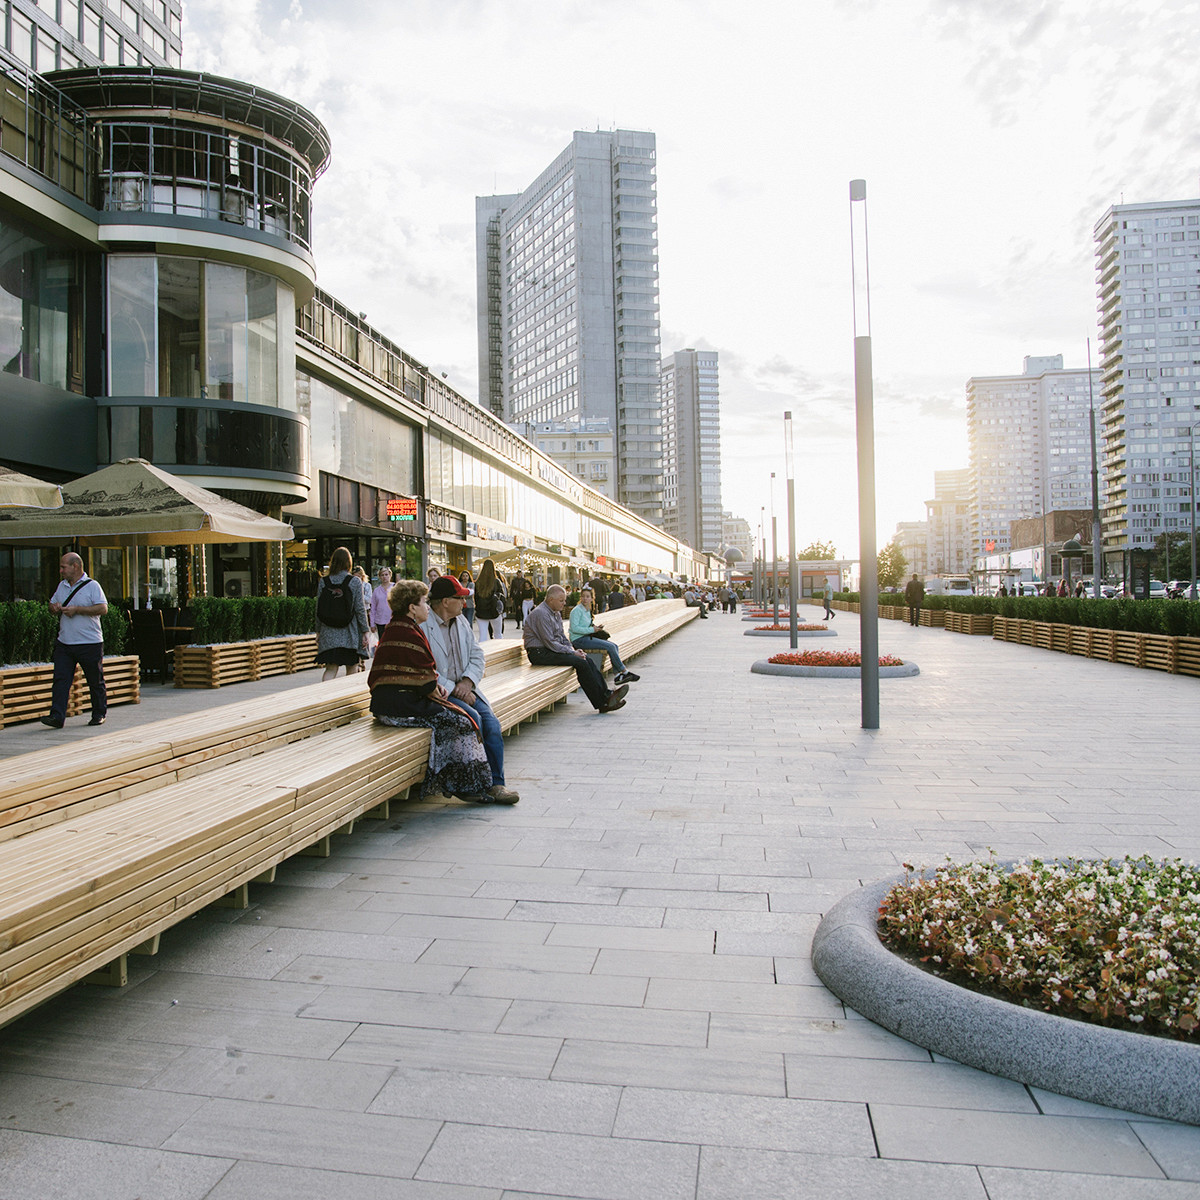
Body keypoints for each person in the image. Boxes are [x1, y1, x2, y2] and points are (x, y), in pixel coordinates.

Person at [368, 579, 495, 802]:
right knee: (462, 720)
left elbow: (421, 676)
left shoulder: (399, 628)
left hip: (396, 704)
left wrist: (435, 687)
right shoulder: (407, 632)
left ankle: (463, 781)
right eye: (424, 602)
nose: (427, 607)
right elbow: (425, 680)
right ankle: (461, 784)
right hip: (399, 709)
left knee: (464, 717)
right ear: (412, 608)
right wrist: (438, 689)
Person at [423, 574, 519, 803]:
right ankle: (474, 784)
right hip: (441, 692)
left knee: (492, 724)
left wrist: (467, 683)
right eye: (460, 598)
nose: (464, 603)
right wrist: (454, 689)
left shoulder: (463, 622)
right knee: (473, 718)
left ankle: (497, 784)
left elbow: (477, 654)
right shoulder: (423, 625)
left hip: (467, 687)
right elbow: (426, 668)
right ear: (445, 601)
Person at [524, 584, 629, 713]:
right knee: (581, 663)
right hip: (539, 653)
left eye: (564, 600)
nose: (564, 603)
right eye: (561, 600)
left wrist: (573, 650)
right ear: (551, 600)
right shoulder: (541, 614)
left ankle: (607, 695)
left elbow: (561, 636)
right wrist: (572, 652)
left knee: (587, 659)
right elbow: (550, 642)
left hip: (549, 650)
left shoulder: (555, 613)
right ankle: (602, 703)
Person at [42, 552, 108, 729]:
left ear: (76, 566)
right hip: (65, 642)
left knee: (95, 680)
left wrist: (77, 609)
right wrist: (53, 607)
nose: (61, 570)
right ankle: (57, 716)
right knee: (61, 680)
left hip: (89, 642)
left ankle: (99, 713)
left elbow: (103, 608)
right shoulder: (62, 586)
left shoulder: (92, 586)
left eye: (64, 566)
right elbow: (51, 605)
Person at [315, 546, 370, 680]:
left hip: (328, 632)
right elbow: (359, 608)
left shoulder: (324, 581)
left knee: (330, 668)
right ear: (348, 563)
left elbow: (318, 608)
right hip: (349, 633)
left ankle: (326, 697)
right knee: (352, 667)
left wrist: (318, 631)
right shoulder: (354, 581)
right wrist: (365, 630)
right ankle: (348, 699)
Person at [569, 585, 640, 684]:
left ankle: (618, 675)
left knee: (614, 646)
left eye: (587, 596)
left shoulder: (587, 610)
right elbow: (574, 628)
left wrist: (596, 628)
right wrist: (592, 629)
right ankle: (624, 672)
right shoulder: (577, 611)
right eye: (583, 596)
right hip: (579, 640)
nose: (585, 599)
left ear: (591, 598)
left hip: (587, 637)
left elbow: (586, 626)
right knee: (610, 646)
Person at [473, 557, 508, 641]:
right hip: (494, 611)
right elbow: (502, 596)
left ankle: (484, 653)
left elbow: (476, 598)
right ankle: (498, 652)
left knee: (482, 635)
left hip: (481, 611)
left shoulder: (478, 582)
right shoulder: (496, 581)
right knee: (498, 634)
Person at [369, 566, 394, 636]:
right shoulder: (376, 591)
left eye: (386, 574)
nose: (384, 577)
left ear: (390, 575)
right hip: (380, 621)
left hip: (393, 619)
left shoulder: (395, 588)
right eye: (382, 575)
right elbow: (373, 608)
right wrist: (372, 624)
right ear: (379, 577)